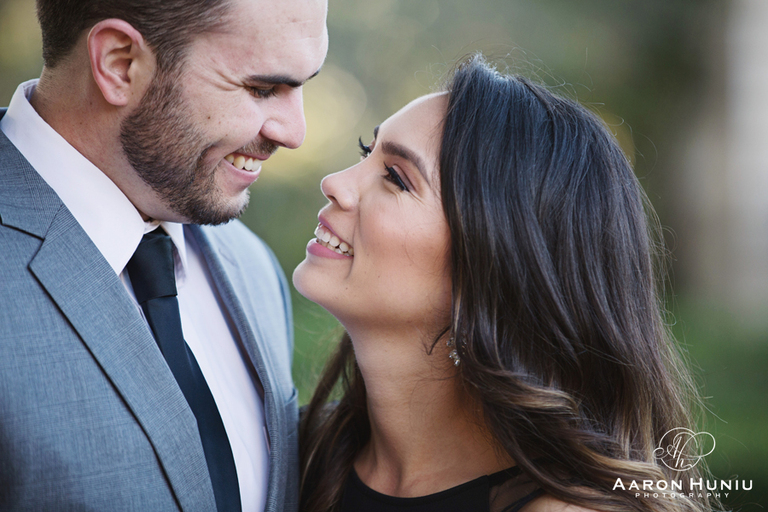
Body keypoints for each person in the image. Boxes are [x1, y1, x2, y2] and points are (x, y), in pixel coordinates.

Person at [294, 55, 714, 512]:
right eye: (364, 152)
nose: (334, 182)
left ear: (496, 262)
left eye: (396, 178)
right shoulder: (293, 453)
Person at [0, 0, 327, 510]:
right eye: (263, 89)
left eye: (302, 85)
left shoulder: (253, 268)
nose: (294, 132)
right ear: (119, 63)